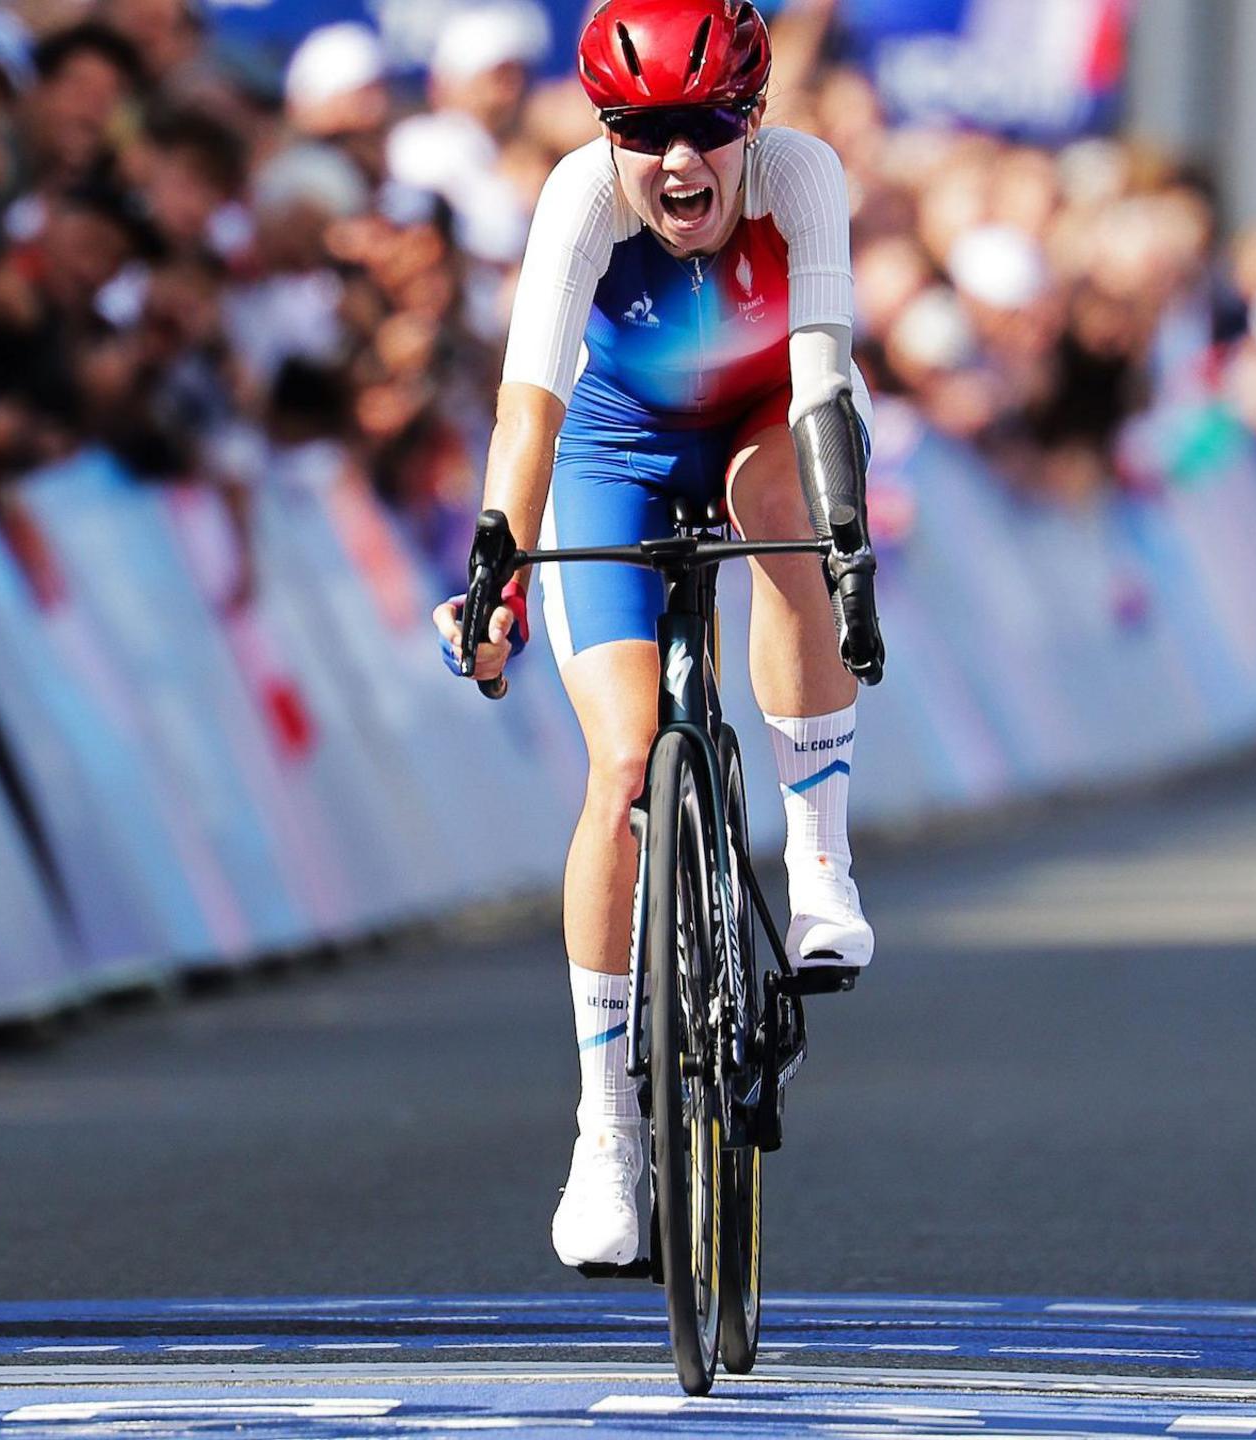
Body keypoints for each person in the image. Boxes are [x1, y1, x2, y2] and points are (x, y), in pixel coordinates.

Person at [431, 0, 883, 1271]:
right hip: (614, 450)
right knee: (626, 768)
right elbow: (525, 413)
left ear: (752, 123)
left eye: (704, 130)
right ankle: (607, 1136)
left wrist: (843, 564)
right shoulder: (580, 200)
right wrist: (492, 579)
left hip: (764, 426)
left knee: (783, 511)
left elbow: (820, 380)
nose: (676, 163)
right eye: (643, 132)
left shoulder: (802, 177)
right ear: (605, 134)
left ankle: (817, 866)